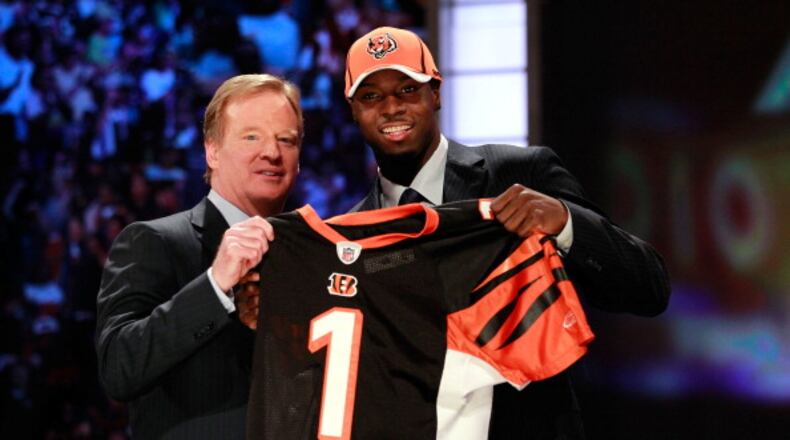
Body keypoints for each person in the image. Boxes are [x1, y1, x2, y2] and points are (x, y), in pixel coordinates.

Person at [240, 26, 670, 438]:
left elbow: (648, 287)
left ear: (436, 93)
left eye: (407, 90)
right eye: (371, 96)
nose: (391, 108)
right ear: (353, 110)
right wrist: (280, 319)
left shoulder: (520, 175)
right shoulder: (346, 241)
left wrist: (564, 221)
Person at [95, 73, 302, 439]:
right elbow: (119, 368)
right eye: (251, 136)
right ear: (213, 151)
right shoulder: (154, 242)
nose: (272, 152)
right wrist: (214, 286)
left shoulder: (308, 256)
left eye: (286, 140)